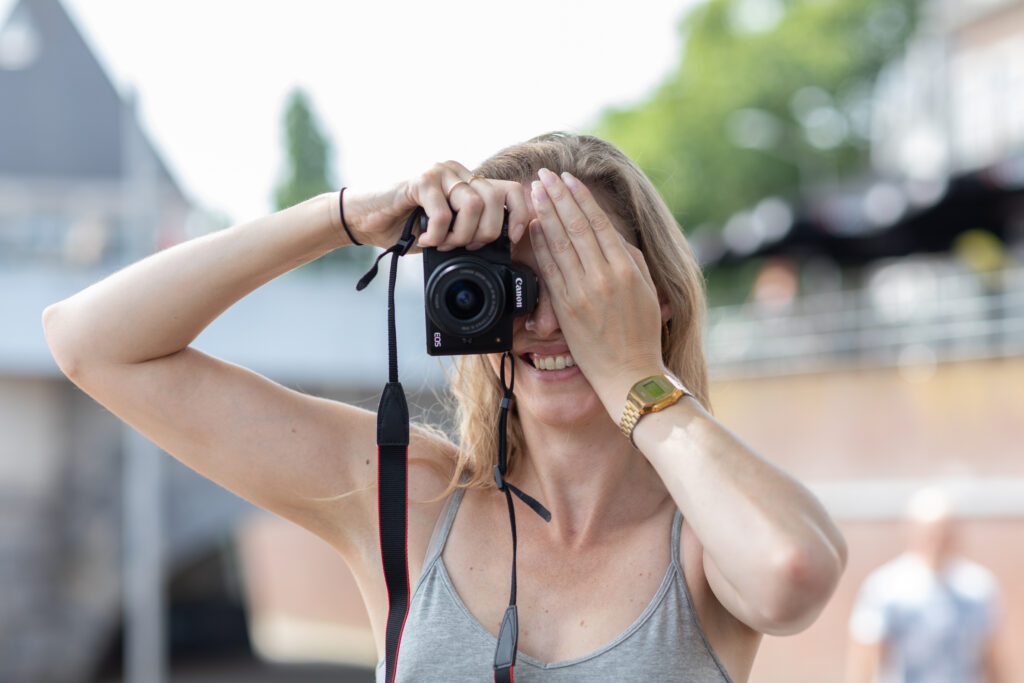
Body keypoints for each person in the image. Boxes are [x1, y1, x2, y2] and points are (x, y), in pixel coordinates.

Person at [43, 132, 847, 681]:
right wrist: (345, 216)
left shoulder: (708, 533)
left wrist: (635, 373)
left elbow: (792, 574)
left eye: (582, 280)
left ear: (658, 297)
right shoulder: (406, 496)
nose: (542, 319)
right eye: (513, 281)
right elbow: (90, 341)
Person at [845, 487, 1006, 683]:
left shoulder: (977, 588)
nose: (938, 540)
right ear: (912, 531)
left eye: (944, 532)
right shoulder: (886, 588)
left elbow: (992, 657)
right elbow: (865, 658)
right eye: (931, 532)